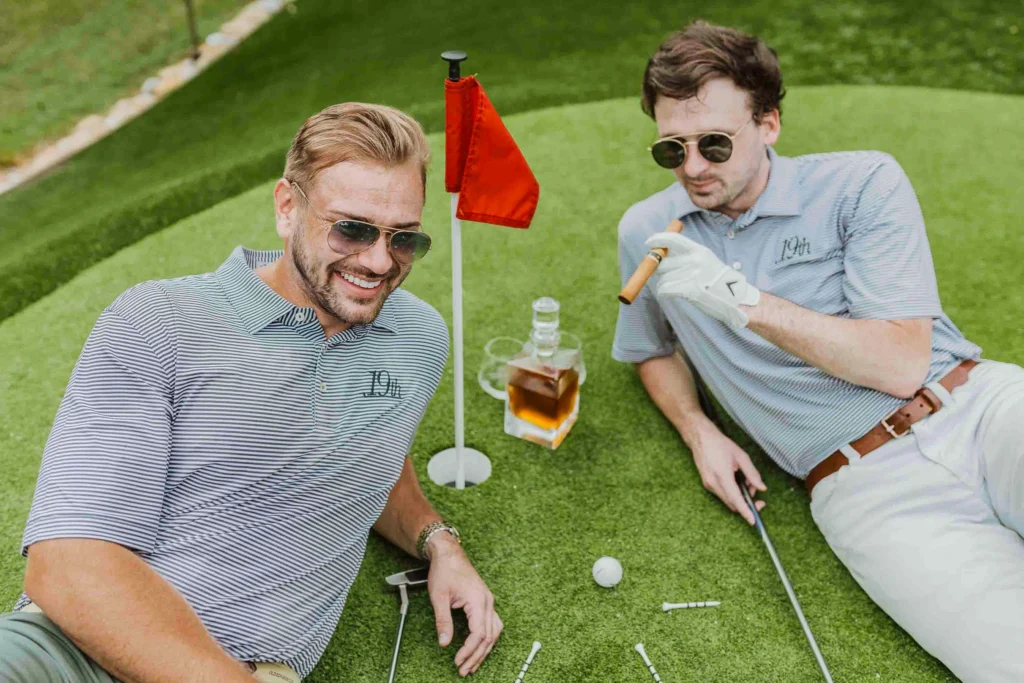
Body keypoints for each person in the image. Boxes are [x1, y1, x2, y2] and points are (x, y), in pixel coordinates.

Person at [1, 103, 501, 682]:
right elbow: (67, 569)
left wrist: (439, 542)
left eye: (404, 238)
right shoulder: (157, 320)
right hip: (70, 650)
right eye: (353, 229)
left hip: (257, 666)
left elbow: (375, 462)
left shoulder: (418, 339)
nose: (379, 261)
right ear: (288, 208)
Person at [613, 20, 1024, 681]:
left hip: (979, 406)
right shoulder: (648, 233)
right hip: (868, 491)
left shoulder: (862, 182)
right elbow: (649, 347)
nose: (692, 167)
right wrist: (698, 431)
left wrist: (737, 298)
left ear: (769, 123)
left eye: (715, 144)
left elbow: (899, 363)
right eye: (671, 149)